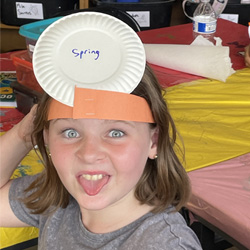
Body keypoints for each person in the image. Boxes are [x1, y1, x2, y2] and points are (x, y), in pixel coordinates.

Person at [0, 13, 202, 249]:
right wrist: (25, 132)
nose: (89, 153)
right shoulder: (58, 199)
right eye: (70, 132)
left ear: (153, 141)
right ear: (46, 138)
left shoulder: (163, 244)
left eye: (116, 132)